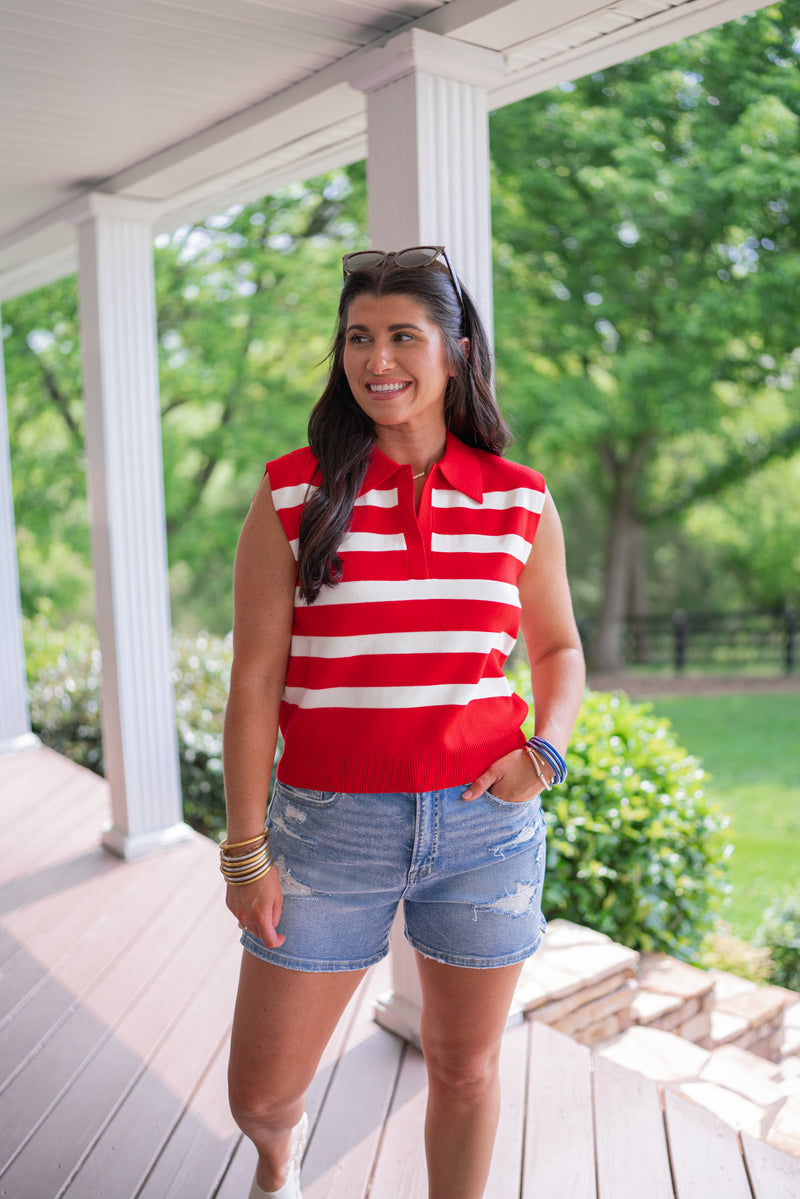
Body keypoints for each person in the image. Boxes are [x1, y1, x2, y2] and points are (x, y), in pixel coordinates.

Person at [221, 245, 585, 1199]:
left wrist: (544, 752)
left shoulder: (520, 498)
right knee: (260, 1091)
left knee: (464, 1069)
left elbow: (559, 652)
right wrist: (245, 849)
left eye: (401, 336)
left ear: (455, 351)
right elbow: (255, 683)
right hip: (326, 831)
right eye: (357, 337)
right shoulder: (292, 494)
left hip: (483, 826)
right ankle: (276, 1156)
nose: (376, 360)